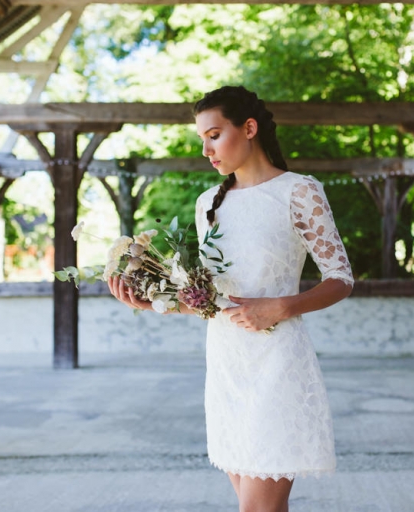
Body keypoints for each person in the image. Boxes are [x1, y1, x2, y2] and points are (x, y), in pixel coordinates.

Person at [108, 85, 354, 512]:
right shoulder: (208, 204)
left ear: (249, 128)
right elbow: (211, 301)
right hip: (226, 368)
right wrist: (154, 302)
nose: (206, 150)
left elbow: (341, 278)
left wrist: (281, 306)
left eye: (214, 135)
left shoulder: (299, 192)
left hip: (277, 363)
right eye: (202, 139)